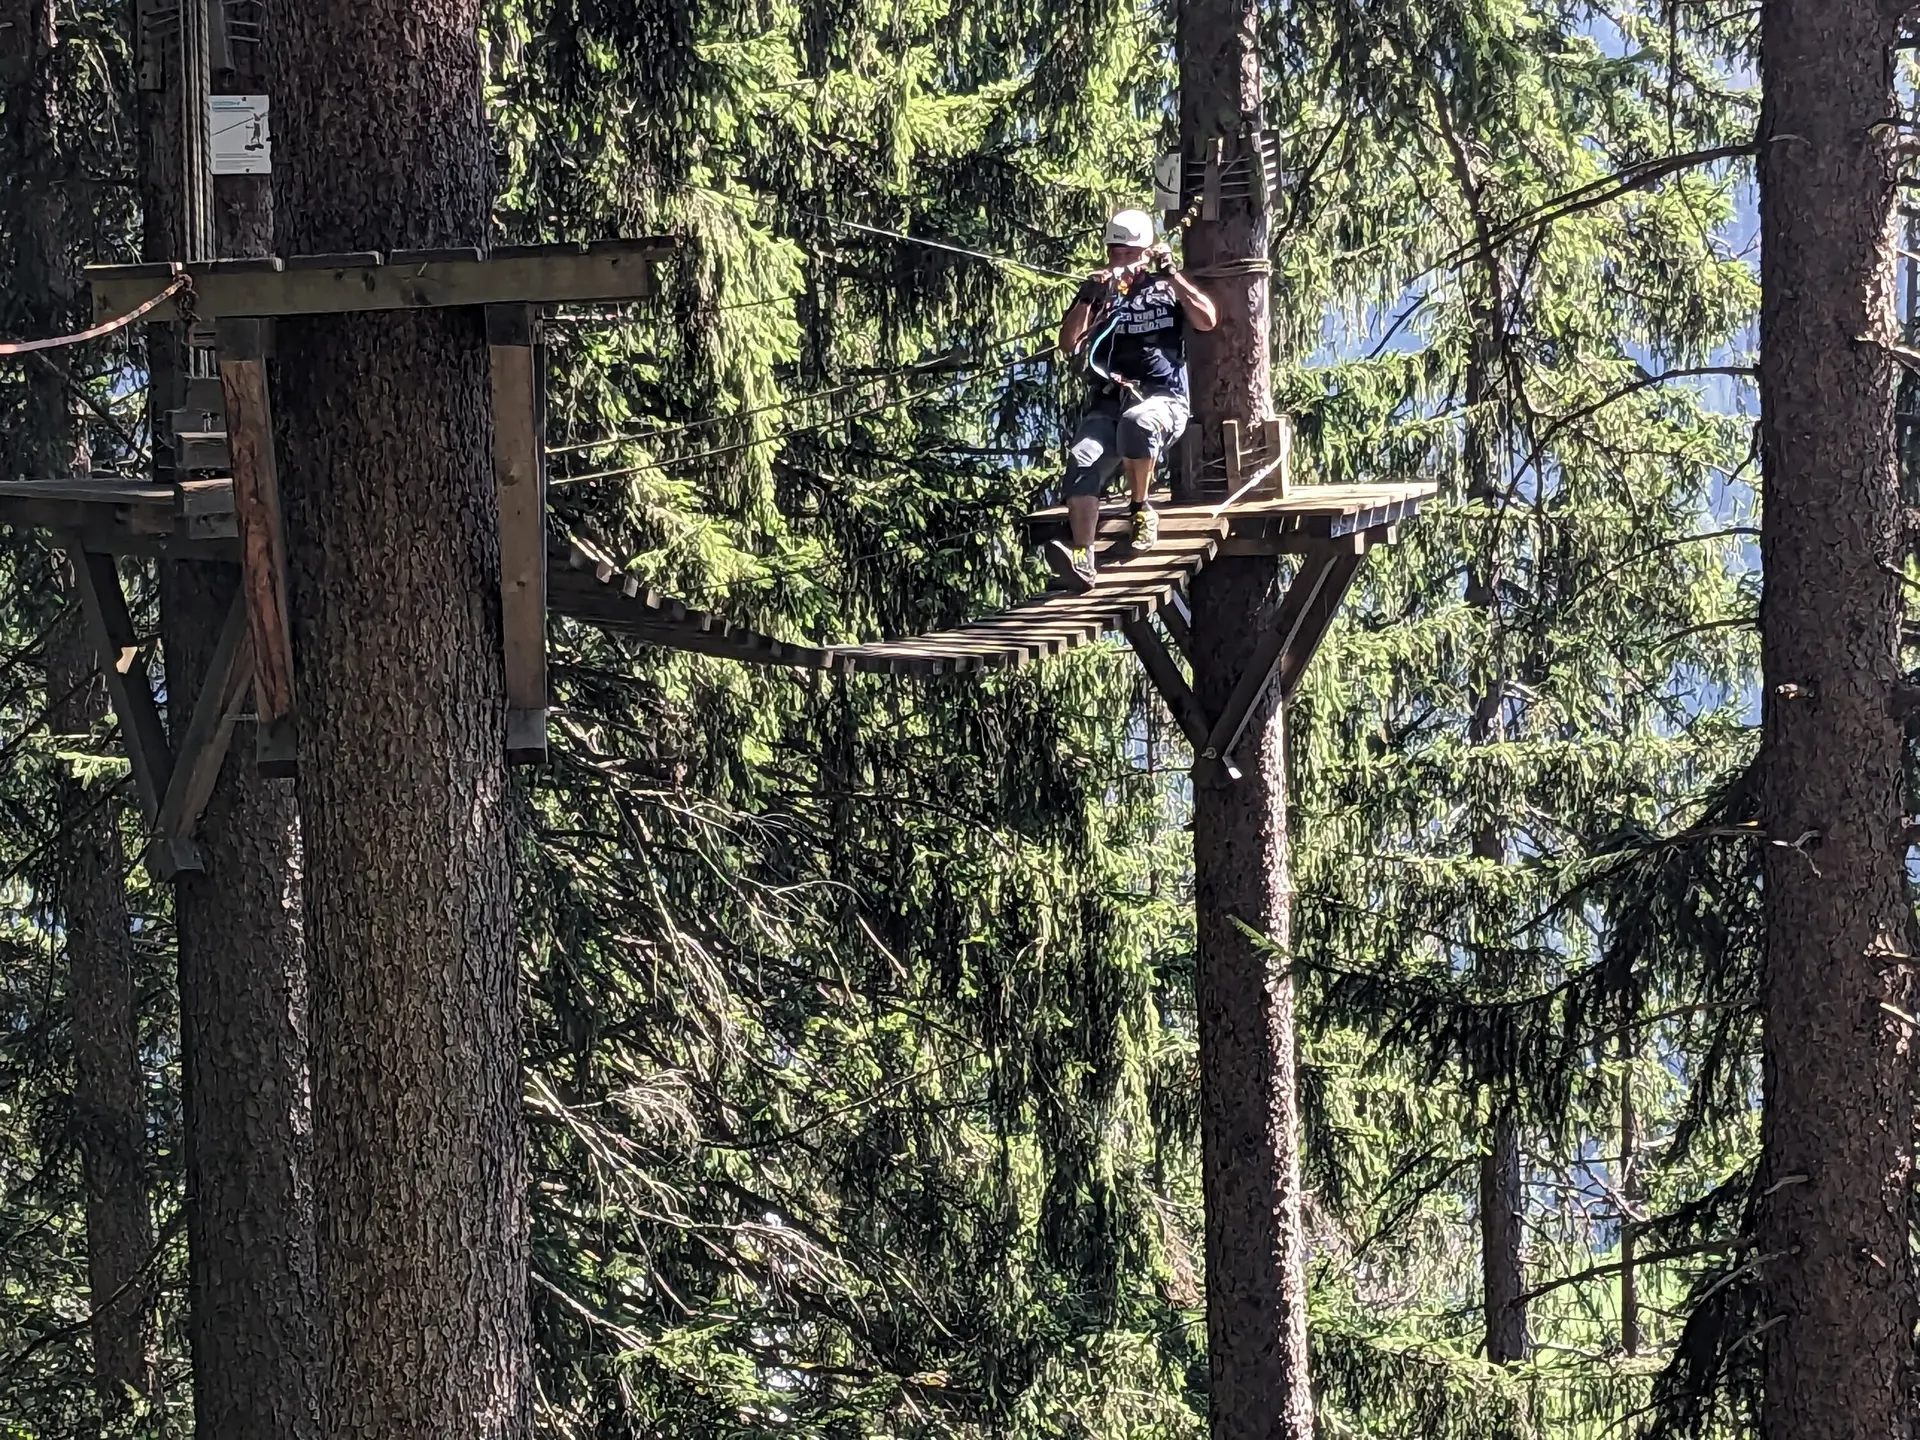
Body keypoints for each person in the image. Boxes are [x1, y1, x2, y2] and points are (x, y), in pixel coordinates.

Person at [1047, 208, 1219, 591]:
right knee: (1082, 458)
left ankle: (1140, 508)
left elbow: (1207, 319)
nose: (1119, 260)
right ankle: (1082, 559)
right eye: (1114, 252)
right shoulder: (1102, 294)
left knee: (1138, 422)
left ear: (1145, 251)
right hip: (1110, 402)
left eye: (1128, 253)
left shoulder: (1166, 288)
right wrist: (1087, 298)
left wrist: (1172, 274)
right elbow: (1068, 343)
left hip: (1163, 400)